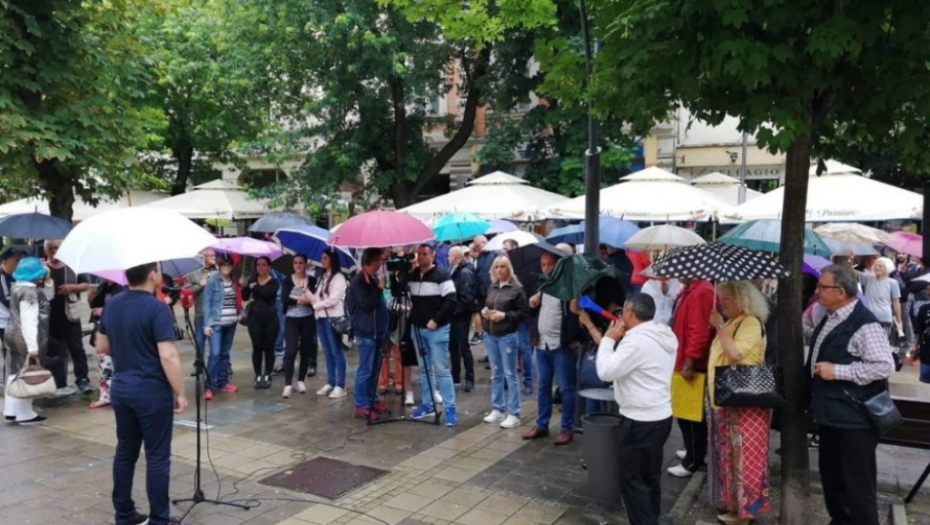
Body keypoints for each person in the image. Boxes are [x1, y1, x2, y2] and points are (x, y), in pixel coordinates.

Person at [98, 262, 186, 525]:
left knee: (125, 451)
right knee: (158, 456)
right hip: (151, 390)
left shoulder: (113, 303)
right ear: (152, 274)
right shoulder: (157, 307)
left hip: (122, 388)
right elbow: (168, 355)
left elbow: (101, 345)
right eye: (158, 268)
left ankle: (124, 514)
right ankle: (159, 519)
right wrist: (180, 391)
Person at [811, 265, 896, 525]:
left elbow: (884, 366)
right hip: (834, 415)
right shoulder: (831, 315)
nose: (817, 292)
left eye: (822, 287)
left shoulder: (864, 324)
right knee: (834, 481)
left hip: (855, 420)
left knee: (857, 488)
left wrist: (836, 371)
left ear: (840, 292)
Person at [595, 294, 676, 525]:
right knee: (649, 478)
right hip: (660, 415)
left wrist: (609, 340)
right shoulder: (664, 334)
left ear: (629, 312)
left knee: (633, 482)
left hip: (639, 420)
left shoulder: (636, 342)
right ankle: (651, 519)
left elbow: (606, 371)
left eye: (623, 312)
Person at [706, 281, 772, 525]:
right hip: (728, 400)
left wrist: (720, 327)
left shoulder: (750, 323)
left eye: (727, 300)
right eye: (721, 300)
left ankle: (746, 513)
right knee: (731, 456)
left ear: (743, 300)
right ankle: (735, 507)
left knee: (745, 457)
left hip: (745, 403)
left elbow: (735, 354)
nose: (722, 304)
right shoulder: (734, 322)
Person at [523, 247, 580, 445]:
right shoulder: (541, 285)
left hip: (561, 345)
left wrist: (575, 337)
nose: (546, 268)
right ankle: (542, 424)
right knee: (543, 386)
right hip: (541, 343)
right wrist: (532, 303)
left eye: (550, 264)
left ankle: (567, 428)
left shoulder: (569, 286)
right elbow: (533, 313)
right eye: (543, 264)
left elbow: (577, 314)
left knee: (566, 388)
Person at [666, 277, 715, 478]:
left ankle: (693, 460)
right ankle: (692, 450)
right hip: (683, 356)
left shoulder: (701, 291)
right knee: (686, 410)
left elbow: (699, 330)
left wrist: (690, 361)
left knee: (690, 412)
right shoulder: (691, 289)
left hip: (691, 362)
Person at [407, 243, 458, 425]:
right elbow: (399, 291)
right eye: (419, 254)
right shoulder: (412, 276)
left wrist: (436, 320)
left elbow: (451, 301)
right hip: (418, 329)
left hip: (437, 329)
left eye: (424, 254)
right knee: (424, 369)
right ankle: (427, 404)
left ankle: (450, 409)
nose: (421, 257)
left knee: (442, 369)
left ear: (433, 255)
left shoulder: (442, 275)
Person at [481, 255, 530, 429]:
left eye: (502, 266)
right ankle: (497, 408)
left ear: (508, 268)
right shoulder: (493, 286)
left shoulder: (516, 289)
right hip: (491, 334)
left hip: (507, 334)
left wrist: (506, 315)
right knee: (496, 373)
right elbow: (490, 303)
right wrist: (486, 312)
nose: (499, 269)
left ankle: (514, 412)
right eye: (496, 267)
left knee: (510, 374)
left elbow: (524, 312)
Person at [3, 257, 54, 425]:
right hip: (26, 339)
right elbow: (30, 320)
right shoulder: (30, 292)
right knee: (27, 374)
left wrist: (46, 281)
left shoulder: (18, 287)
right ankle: (24, 414)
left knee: (13, 373)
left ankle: (11, 411)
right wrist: (33, 348)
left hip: (12, 335)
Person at [44, 239, 92, 395]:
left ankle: (82, 379)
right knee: (52, 352)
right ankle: (57, 382)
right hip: (49, 318)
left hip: (70, 315)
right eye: (51, 248)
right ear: (46, 250)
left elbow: (86, 285)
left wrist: (72, 288)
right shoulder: (42, 268)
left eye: (57, 248)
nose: (54, 250)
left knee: (77, 348)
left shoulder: (74, 266)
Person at [347, 248, 390, 418]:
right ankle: (361, 404)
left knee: (374, 369)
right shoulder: (359, 280)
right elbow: (366, 304)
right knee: (365, 370)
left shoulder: (371, 278)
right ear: (373, 261)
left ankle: (372, 399)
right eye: (380, 260)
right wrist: (379, 288)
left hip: (377, 331)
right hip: (366, 332)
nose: (382, 263)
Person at [309, 249, 348, 399]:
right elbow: (316, 298)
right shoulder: (322, 276)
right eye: (322, 257)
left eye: (325, 258)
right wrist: (305, 290)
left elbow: (333, 299)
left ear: (332, 259)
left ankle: (341, 384)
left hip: (333, 318)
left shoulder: (338, 278)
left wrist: (316, 305)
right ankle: (331, 381)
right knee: (327, 351)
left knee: (336, 351)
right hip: (321, 318)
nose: (322, 260)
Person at [202, 256, 241, 399]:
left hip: (231, 322)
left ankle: (223, 382)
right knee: (215, 354)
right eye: (224, 265)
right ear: (219, 266)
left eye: (229, 265)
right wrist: (207, 324)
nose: (227, 267)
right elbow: (206, 303)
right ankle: (209, 386)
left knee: (225, 354)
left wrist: (239, 314)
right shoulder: (212, 281)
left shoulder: (235, 281)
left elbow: (237, 300)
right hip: (217, 323)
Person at [281, 254, 318, 398]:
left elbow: (314, 299)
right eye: (295, 263)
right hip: (292, 318)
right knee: (290, 351)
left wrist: (297, 298)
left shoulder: (312, 280)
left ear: (306, 265)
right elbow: (285, 298)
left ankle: (301, 380)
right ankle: (288, 384)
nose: (298, 265)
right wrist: (302, 300)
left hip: (307, 319)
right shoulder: (287, 280)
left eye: (301, 263)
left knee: (305, 350)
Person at [241, 256, 280, 390]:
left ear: (269, 267)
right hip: (255, 317)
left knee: (269, 348)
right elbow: (245, 297)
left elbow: (267, 294)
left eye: (264, 265)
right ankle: (258, 375)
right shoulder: (252, 280)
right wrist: (244, 286)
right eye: (258, 265)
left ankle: (268, 374)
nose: (260, 267)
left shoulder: (274, 281)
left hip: (270, 316)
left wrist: (254, 287)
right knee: (257, 347)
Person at [88, 278, 126, 408]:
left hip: (117, 331)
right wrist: (91, 299)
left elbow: (123, 308)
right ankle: (106, 396)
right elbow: (94, 307)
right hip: (101, 330)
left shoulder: (123, 288)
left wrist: (104, 310)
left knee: (118, 363)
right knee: (104, 363)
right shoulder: (102, 287)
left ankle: (117, 394)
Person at [448, 246, 476, 392]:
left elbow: (466, 297)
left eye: (450, 256)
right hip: (454, 314)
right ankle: (455, 375)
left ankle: (469, 378)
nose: (448, 258)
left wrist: (455, 310)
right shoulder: (455, 270)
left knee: (463, 346)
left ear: (456, 257)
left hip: (461, 315)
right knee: (453, 346)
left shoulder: (464, 272)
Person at [185, 248, 218, 359]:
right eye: (211, 255)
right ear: (204, 257)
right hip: (200, 312)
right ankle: (199, 364)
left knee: (217, 343)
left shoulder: (218, 271)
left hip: (216, 313)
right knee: (200, 341)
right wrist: (200, 285)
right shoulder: (193, 273)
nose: (214, 257)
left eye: (214, 255)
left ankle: (224, 365)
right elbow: (187, 291)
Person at [859, 258, 903, 339]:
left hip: (884, 318)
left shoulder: (893, 283)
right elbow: (851, 271)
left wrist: (899, 321)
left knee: (882, 343)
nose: (877, 267)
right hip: (868, 317)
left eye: (880, 266)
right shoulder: (868, 278)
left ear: (887, 268)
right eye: (876, 265)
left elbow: (896, 303)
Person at [471, 235, 495, 345]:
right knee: (486, 324)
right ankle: (488, 353)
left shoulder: (495, 253)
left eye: (477, 246)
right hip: (482, 294)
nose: (476, 248)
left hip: (492, 293)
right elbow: (479, 275)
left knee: (492, 324)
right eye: (475, 247)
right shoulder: (480, 256)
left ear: (485, 242)